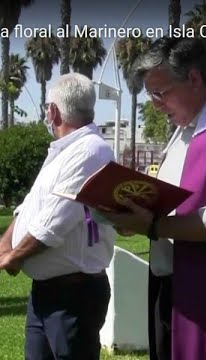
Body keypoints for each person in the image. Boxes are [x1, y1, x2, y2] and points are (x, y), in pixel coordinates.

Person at [102, 37, 206, 360]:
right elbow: (168, 200)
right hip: (171, 286)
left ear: (194, 79)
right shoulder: (183, 133)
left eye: (160, 93)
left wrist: (155, 225)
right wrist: (135, 214)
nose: (155, 104)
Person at [0, 73, 116, 360]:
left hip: (73, 296)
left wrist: (14, 257)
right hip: (48, 293)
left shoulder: (90, 150)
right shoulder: (64, 151)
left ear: (53, 111)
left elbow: (54, 223)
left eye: (46, 109)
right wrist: (6, 243)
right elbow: (31, 206)